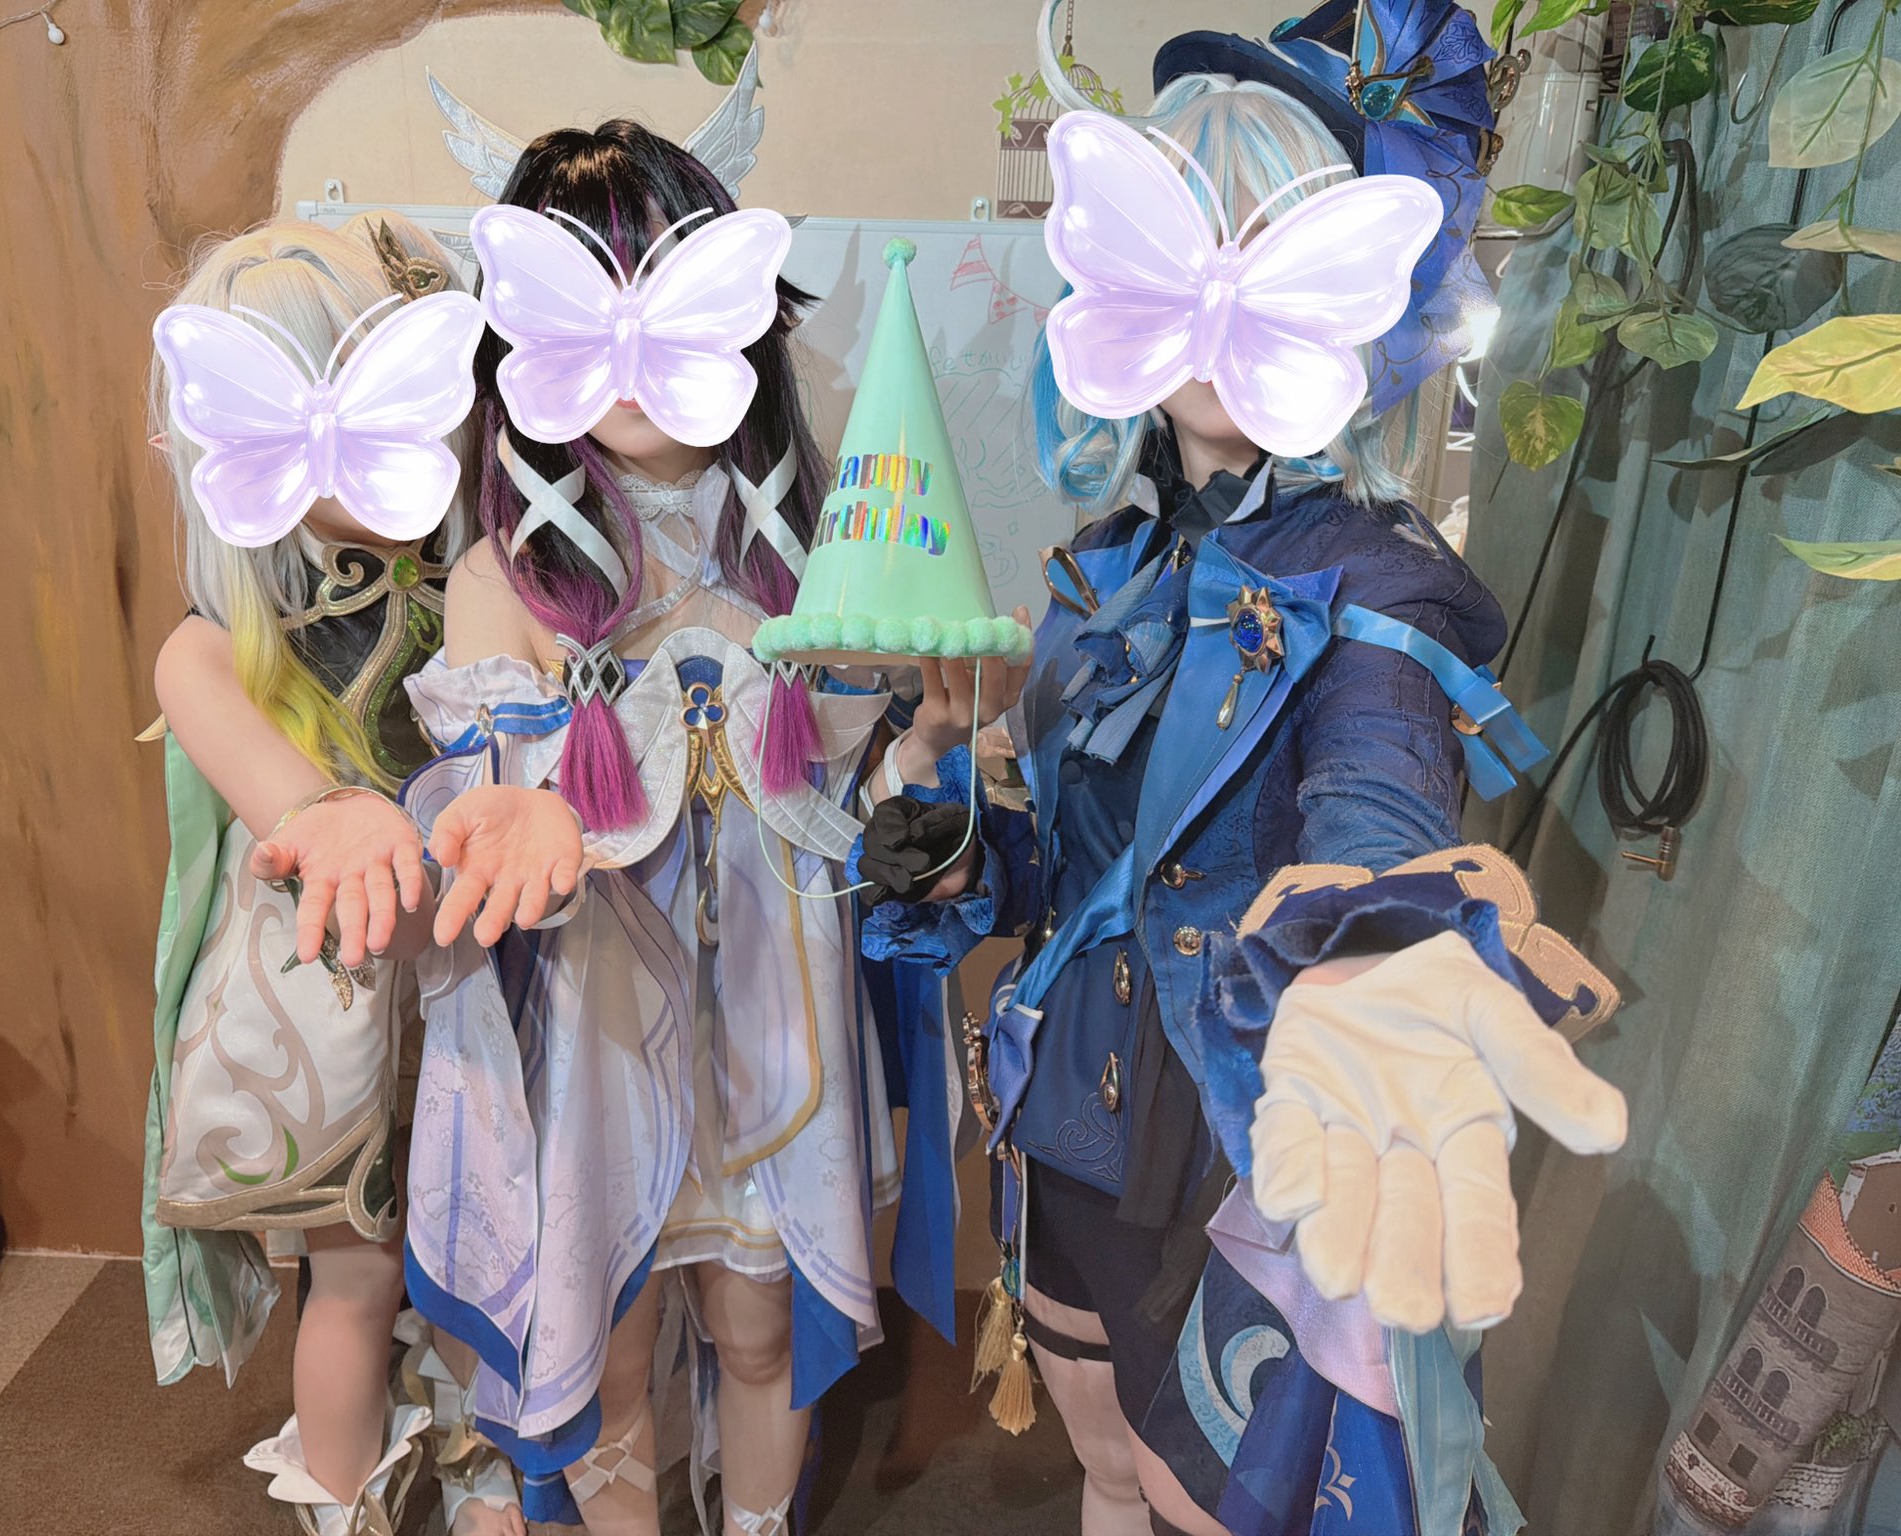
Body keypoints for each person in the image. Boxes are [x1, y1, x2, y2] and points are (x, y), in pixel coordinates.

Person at [855, 18, 1628, 1536]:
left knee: (1207, 1503)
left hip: (1232, 1144)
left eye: (1263, 248)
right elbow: (1060, 870)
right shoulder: (1103, 569)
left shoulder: (1376, 585)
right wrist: (939, 808)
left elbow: (1375, 810)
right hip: (1068, 1114)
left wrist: (1374, 951)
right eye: (1178, 244)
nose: (1213, 300)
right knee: (1103, 1469)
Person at [397, 120, 920, 1536]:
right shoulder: (505, 578)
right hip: (599, 1031)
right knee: (611, 1351)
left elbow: (874, 790)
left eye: (667, 294)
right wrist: (509, 815)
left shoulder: (816, 549)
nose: (630, 350)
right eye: (587, 301)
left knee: (760, 1327)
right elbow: (482, 803)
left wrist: (936, 744)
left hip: (775, 1016)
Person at [141, 211, 582, 1536]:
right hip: (329, 988)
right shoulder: (215, 642)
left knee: (493, 1239)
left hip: (473, 950)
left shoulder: (478, 573)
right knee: (359, 1273)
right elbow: (266, 774)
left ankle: (490, 1471)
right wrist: (327, 811)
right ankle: (345, 1499)